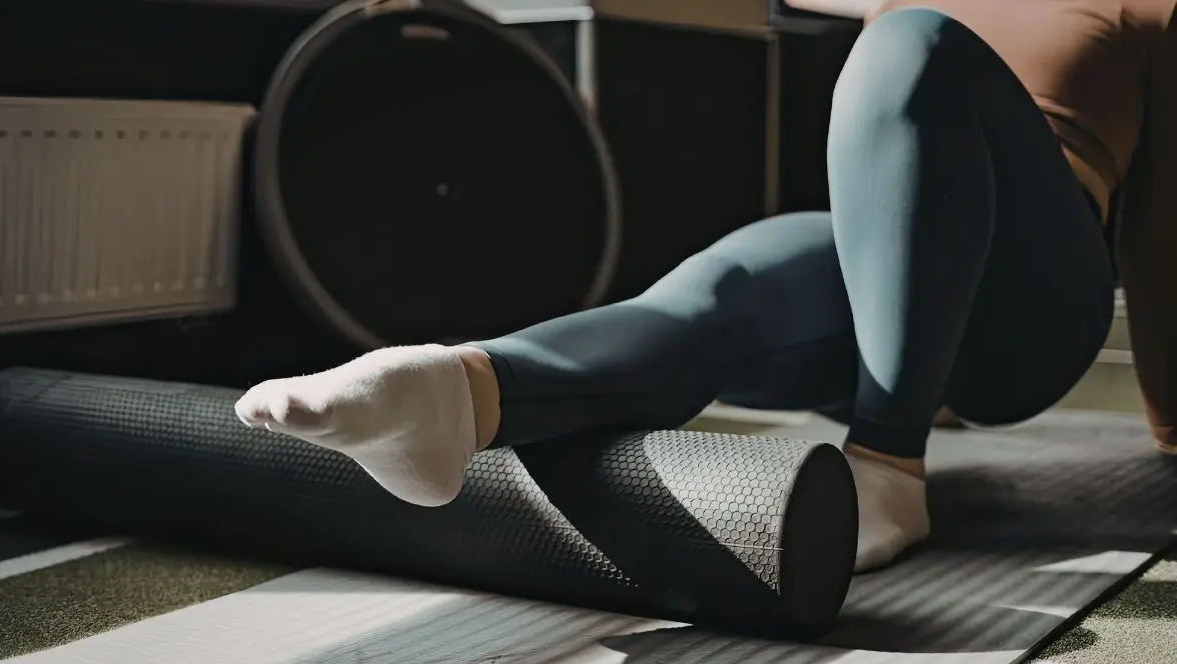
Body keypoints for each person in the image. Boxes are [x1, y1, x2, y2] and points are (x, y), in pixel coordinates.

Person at [235, 0, 1177, 573]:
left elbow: (1164, 216)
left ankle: (887, 465)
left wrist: (1171, 421)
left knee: (919, 45)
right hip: (895, 278)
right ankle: (458, 395)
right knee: (716, 293)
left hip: (1030, 312)